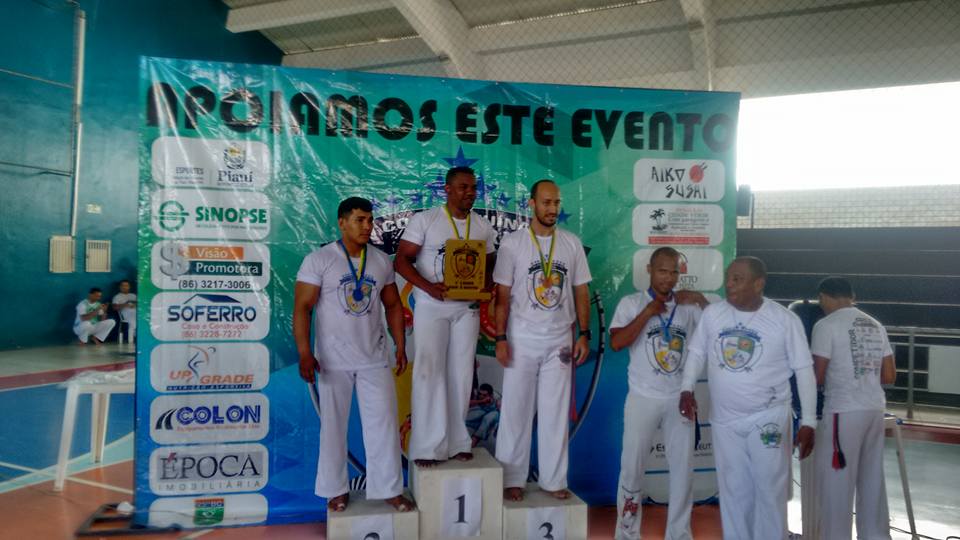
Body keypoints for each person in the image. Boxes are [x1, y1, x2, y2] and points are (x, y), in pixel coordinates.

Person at [678, 256, 817, 540]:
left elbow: (804, 370)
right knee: (733, 490)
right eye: (728, 278)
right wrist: (686, 388)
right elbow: (697, 353)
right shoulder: (713, 314)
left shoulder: (784, 320)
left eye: (737, 279)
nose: (729, 284)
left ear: (758, 284)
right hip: (725, 421)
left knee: (769, 490)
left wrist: (809, 422)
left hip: (768, 417)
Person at [294, 197, 413, 513]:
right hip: (332, 360)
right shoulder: (320, 260)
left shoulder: (380, 260)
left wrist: (400, 344)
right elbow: (302, 308)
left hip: (374, 356)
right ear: (342, 222)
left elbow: (393, 305)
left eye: (370, 220)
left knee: (384, 425)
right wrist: (305, 353)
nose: (367, 226)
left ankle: (389, 489)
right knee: (333, 428)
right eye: (359, 220)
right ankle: (335, 489)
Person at [493, 179, 592, 501]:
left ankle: (554, 480)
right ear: (531, 204)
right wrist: (501, 337)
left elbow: (581, 290)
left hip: (560, 339)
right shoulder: (513, 244)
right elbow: (502, 296)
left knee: (555, 412)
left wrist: (584, 333)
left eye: (556, 203)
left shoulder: (571, 244)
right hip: (521, 337)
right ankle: (512, 479)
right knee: (515, 411)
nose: (552, 209)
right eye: (546, 202)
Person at [395, 166, 497, 467]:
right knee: (429, 372)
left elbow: (491, 260)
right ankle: (427, 446)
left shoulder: (482, 225)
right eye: (463, 187)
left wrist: (485, 284)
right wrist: (429, 287)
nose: (470, 193)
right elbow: (401, 261)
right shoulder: (426, 220)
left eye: (473, 187)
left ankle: (457, 442)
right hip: (432, 306)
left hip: (467, 309)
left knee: (462, 374)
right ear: (448, 189)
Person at [610, 247, 708, 540]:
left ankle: (679, 533)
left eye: (674, 272)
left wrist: (700, 299)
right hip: (642, 398)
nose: (669, 277)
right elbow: (617, 342)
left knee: (683, 469)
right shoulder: (632, 303)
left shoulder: (688, 306)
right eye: (663, 271)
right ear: (649, 270)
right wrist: (647, 313)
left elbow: (716, 331)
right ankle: (627, 533)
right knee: (631, 468)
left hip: (679, 398)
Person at [812, 276, 895, 540]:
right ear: (852, 296)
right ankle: (876, 535)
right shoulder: (875, 324)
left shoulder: (826, 325)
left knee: (837, 484)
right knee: (872, 479)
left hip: (843, 410)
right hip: (874, 409)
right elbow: (889, 375)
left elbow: (817, 376)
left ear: (823, 297)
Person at [466, 383, 500, 449]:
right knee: (473, 416)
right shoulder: (477, 396)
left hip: (493, 413)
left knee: (489, 417)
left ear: (491, 395)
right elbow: (467, 403)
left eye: (484, 395)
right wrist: (481, 401)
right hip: (481, 410)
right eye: (480, 394)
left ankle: (474, 440)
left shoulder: (496, 399)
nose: (481, 396)